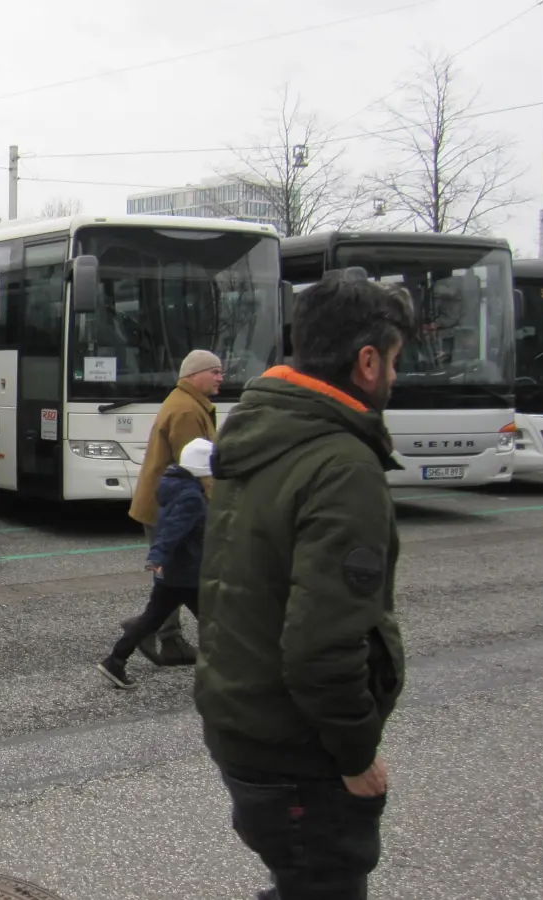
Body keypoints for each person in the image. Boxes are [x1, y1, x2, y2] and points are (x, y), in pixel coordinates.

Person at [196, 270, 411, 900]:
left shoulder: (264, 428)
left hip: (243, 720)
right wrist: (355, 752)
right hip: (299, 751)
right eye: (394, 362)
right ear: (366, 361)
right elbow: (321, 646)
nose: (396, 379)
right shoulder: (341, 463)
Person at [126, 349, 223, 666]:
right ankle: (153, 635)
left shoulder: (190, 404)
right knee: (177, 577)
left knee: (175, 577)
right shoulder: (186, 411)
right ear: (195, 375)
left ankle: (158, 635)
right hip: (172, 506)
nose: (221, 378)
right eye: (215, 372)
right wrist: (217, 507)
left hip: (167, 502)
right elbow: (196, 465)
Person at [98, 438, 212, 689]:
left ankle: (115, 661)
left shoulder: (176, 487)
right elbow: (172, 530)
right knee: (216, 623)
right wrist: (157, 556)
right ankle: (224, 677)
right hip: (188, 573)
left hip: (173, 572)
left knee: (152, 619)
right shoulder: (191, 497)